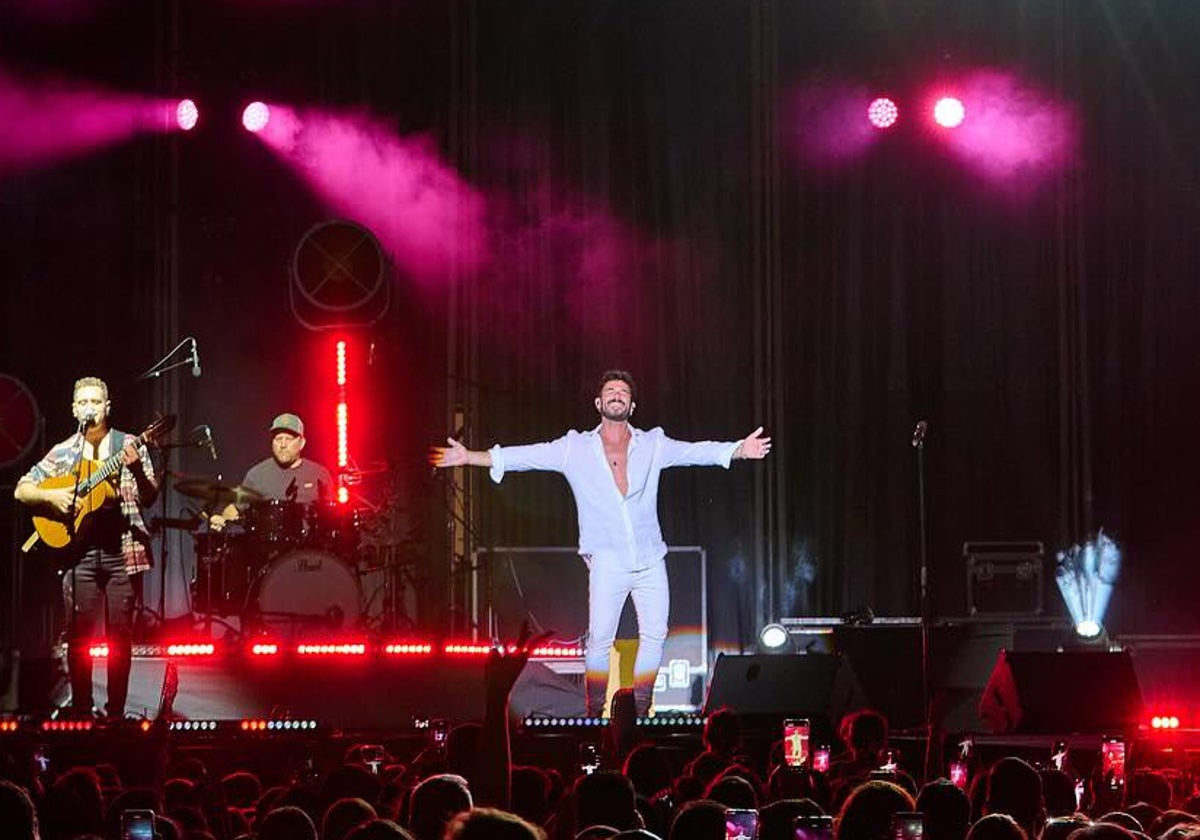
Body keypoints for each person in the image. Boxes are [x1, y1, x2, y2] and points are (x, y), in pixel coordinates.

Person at [432, 370, 770, 715]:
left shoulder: (653, 444)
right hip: (608, 561)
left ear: (632, 405)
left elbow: (694, 451)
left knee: (655, 634)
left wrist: (739, 450)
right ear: (599, 402)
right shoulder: (574, 448)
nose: (617, 395)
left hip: (651, 557)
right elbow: (527, 456)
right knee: (600, 639)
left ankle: (641, 706)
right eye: (610, 390)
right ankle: (594, 709)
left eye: (623, 391)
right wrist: (471, 457)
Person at [13, 376, 159, 719]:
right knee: (79, 638)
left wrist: (135, 467)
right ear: (74, 408)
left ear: (107, 408)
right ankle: (80, 709)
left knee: (119, 637)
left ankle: (116, 712)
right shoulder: (63, 452)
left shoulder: (130, 444)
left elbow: (151, 496)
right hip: (78, 553)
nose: (90, 408)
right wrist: (51, 495)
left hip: (122, 551)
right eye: (84, 402)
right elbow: (22, 489)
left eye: (96, 402)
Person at [209, 413, 334, 530]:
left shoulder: (319, 474)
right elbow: (235, 509)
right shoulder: (256, 475)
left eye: (289, 439)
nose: (283, 444)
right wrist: (222, 520)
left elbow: (333, 516)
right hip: (268, 548)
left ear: (301, 443)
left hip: (310, 549)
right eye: (278, 439)